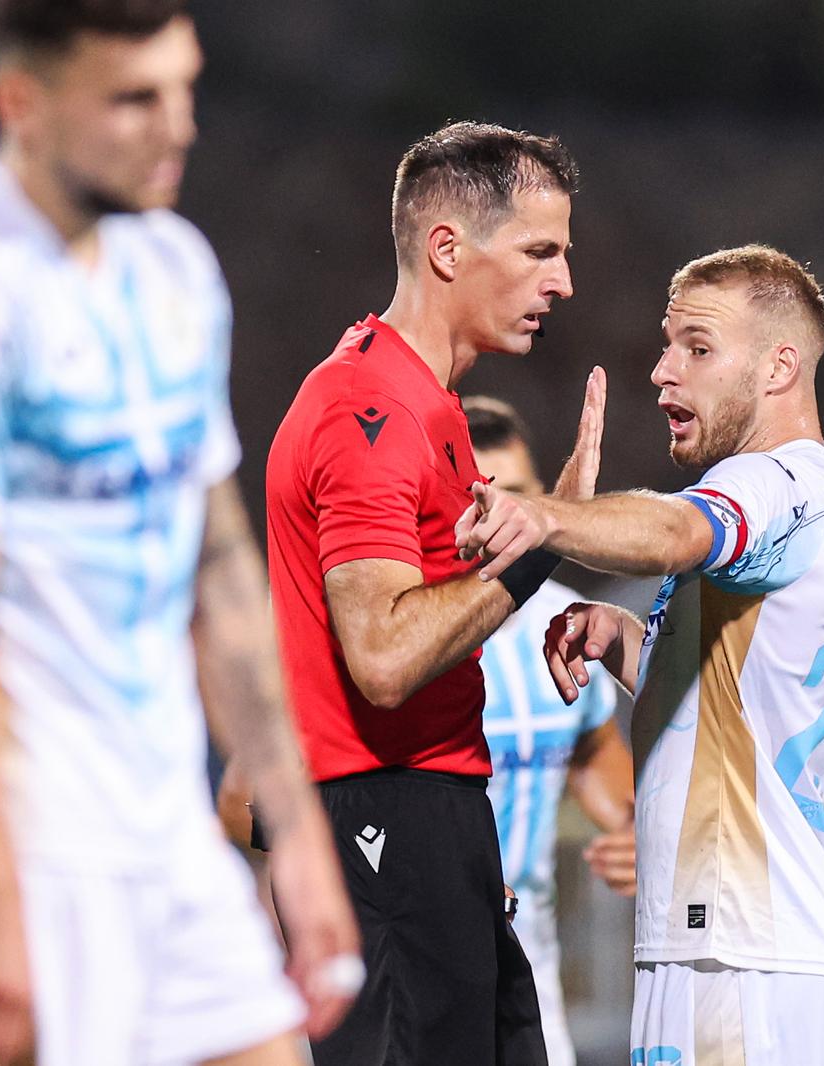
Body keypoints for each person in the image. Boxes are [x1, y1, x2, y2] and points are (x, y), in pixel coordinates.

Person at [0, 2, 358, 1063]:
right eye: (133, 98)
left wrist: (299, 840)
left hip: (162, 831)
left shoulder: (174, 272)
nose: (178, 126)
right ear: (19, 103)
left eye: (184, 87)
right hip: (21, 842)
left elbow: (216, 569)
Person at [457, 244, 824, 1066]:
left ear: (778, 367)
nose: (662, 371)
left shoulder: (777, 485)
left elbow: (673, 530)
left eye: (697, 347)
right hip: (767, 938)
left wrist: (546, 518)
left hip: (739, 945)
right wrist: (631, 644)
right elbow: (752, 694)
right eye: (667, 345)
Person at [264, 120, 603, 1066]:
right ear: (447, 249)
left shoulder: (430, 410)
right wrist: (543, 539)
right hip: (383, 821)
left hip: (435, 818)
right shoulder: (368, 412)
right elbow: (383, 657)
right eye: (541, 251)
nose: (563, 282)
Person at [466, 394, 637, 1066]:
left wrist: (634, 830)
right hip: (409, 954)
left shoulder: (567, 625)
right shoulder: (397, 638)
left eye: (514, 494)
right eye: (474, 495)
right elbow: (244, 800)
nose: (496, 515)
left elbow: (592, 749)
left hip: (528, 962)